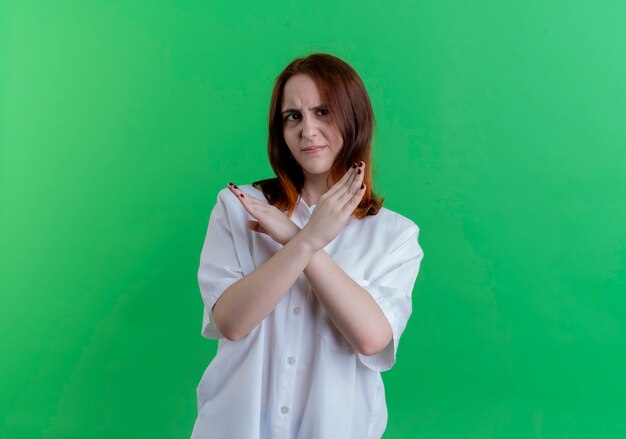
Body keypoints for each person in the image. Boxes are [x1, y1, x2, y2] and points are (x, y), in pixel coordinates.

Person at [191, 53, 424, 439]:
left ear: (354, 118)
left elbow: (371, 339)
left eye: (323, 112)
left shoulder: (395, 234)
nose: (308, 130)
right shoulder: (239, 207)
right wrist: (308, 241)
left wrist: (298, 238)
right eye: (293, 116)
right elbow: (231, 323)